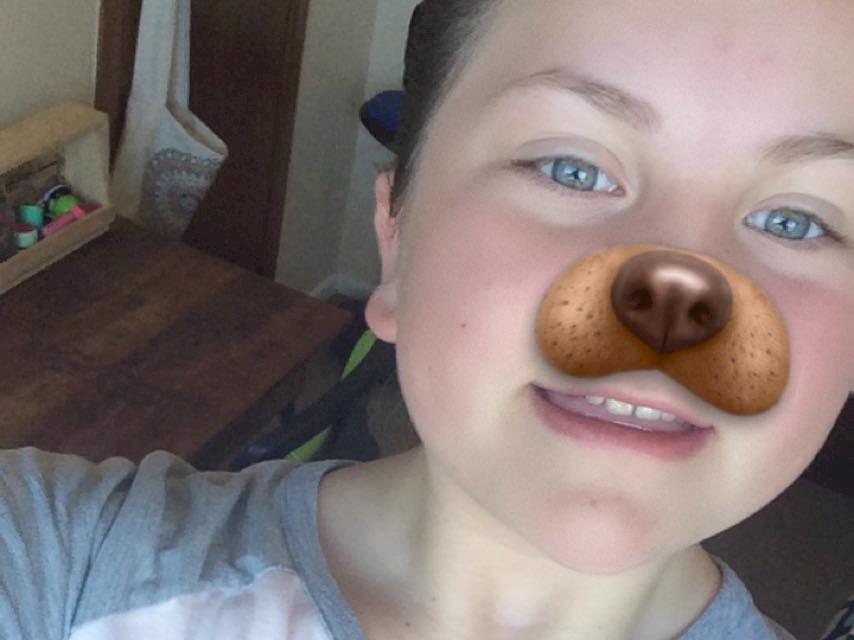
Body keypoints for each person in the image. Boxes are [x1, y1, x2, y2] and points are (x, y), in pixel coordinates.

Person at [2, 1, 853, 638]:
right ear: (397, 240)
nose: (679, 300)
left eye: (796, 221)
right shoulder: (56, 560)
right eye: (571, 167)